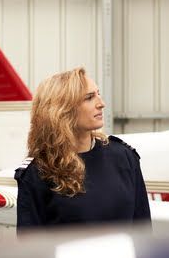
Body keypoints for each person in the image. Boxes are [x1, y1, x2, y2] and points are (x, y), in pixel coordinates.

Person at [15, 67, 151, 229]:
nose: (101, 104)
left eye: (98, 94)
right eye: (89, 98)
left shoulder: (124, 157)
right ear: (62, 110)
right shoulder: (37, 172)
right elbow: (30, 248)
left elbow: (143, 232)